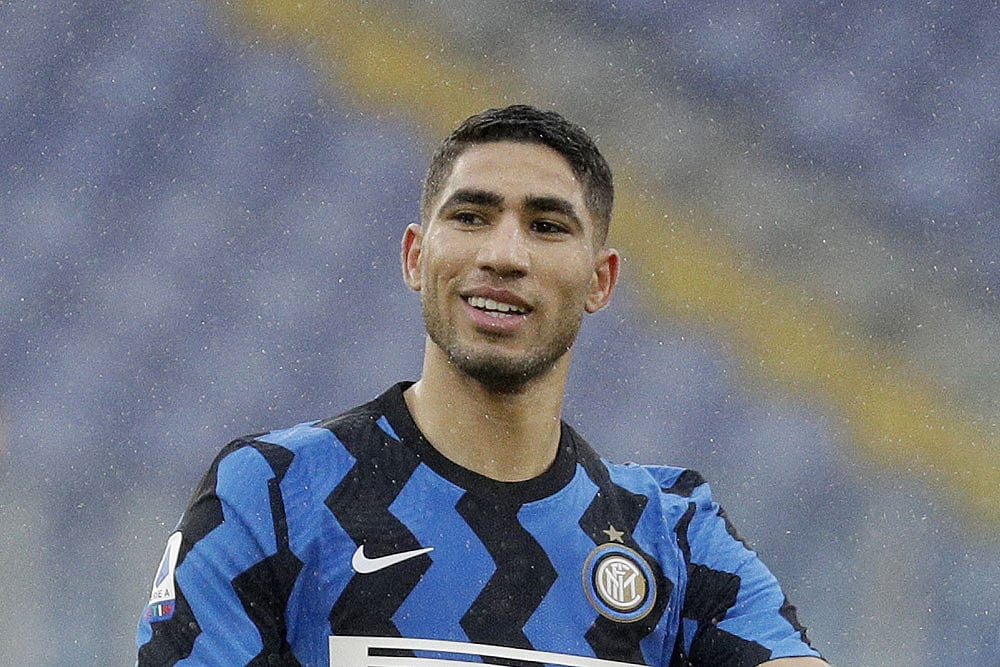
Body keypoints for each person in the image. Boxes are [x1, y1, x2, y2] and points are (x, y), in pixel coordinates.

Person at [137, 105, 827, 667]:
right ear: (416, 257)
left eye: (546, 226)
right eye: (470, 216)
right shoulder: (272, 494)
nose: (503, 254)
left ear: (601, 281)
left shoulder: (673, 530)